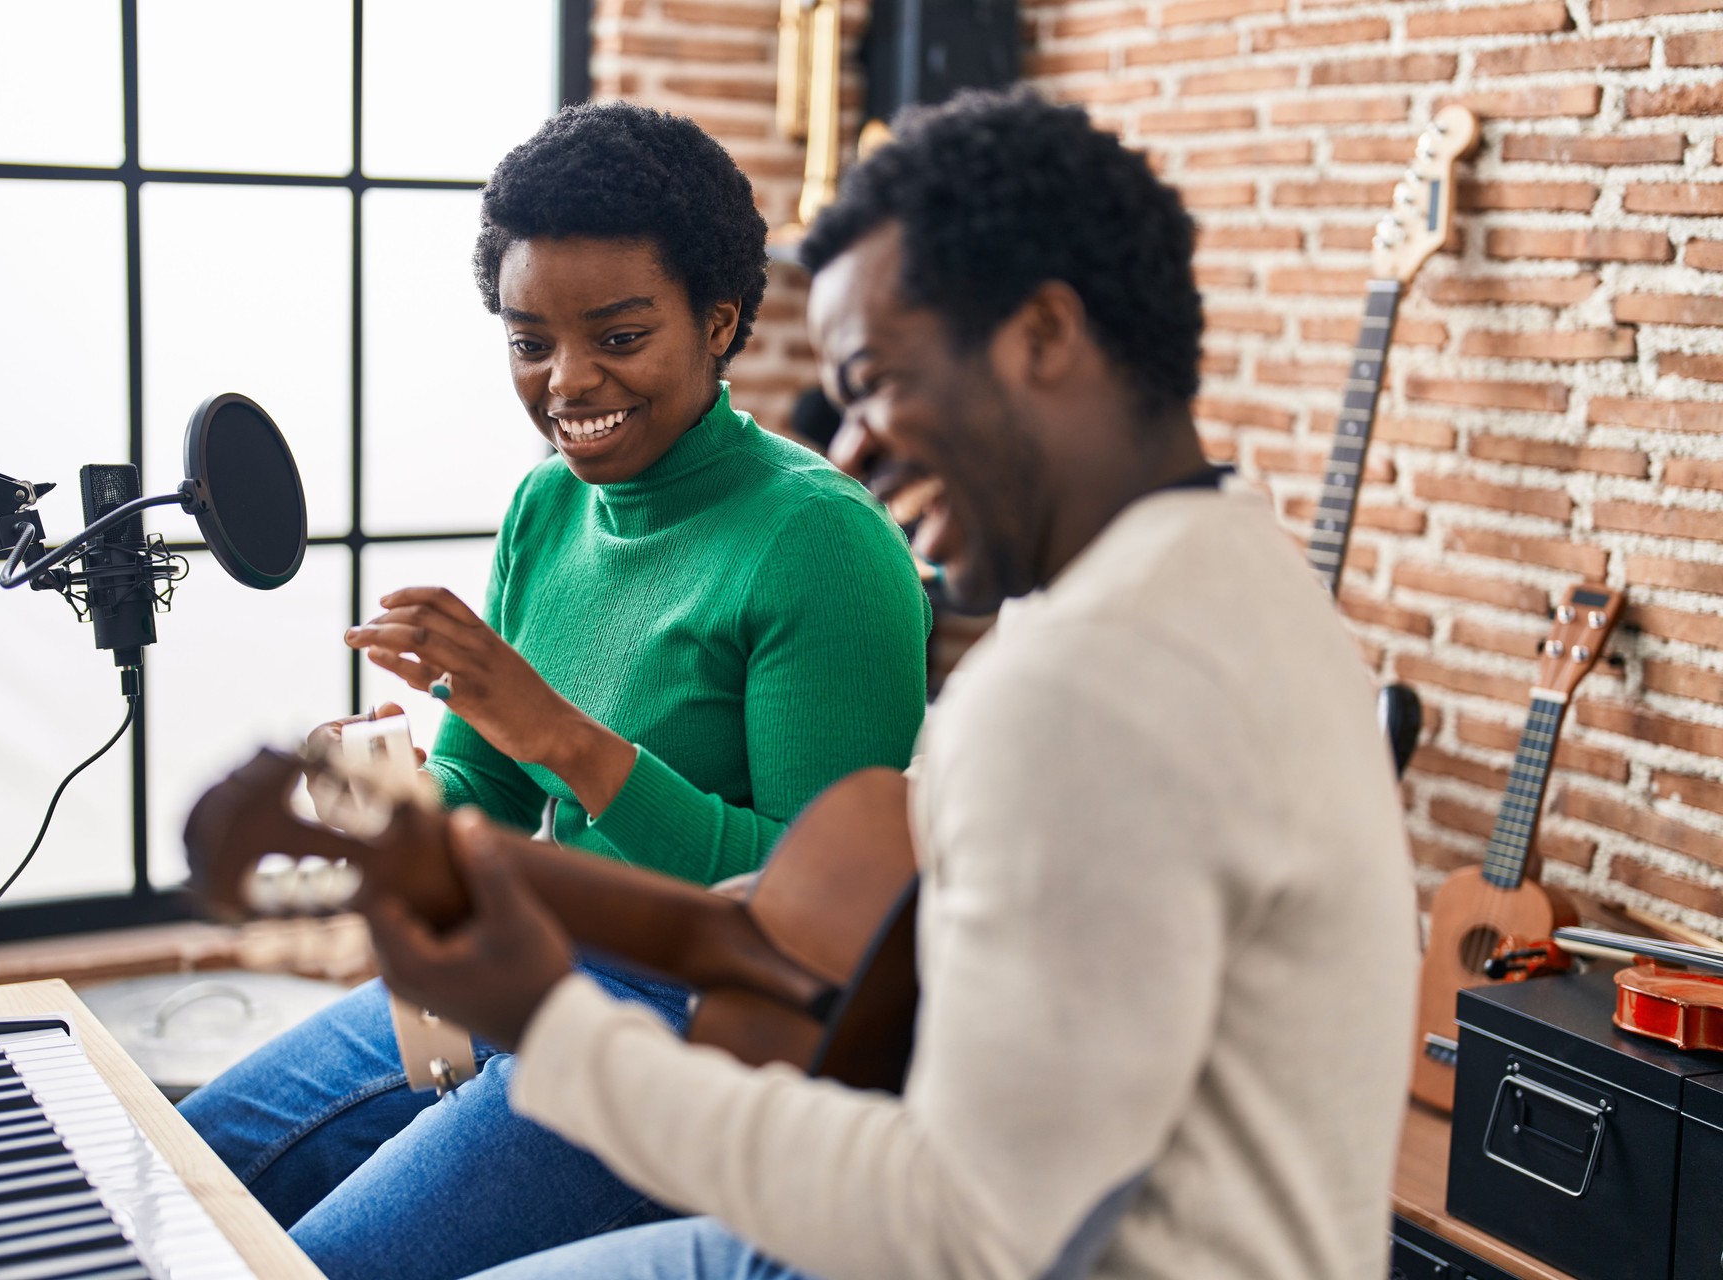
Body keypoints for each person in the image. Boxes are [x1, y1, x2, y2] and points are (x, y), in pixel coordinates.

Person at [358, 89, 1420, 1280]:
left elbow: (953, 1225)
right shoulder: (1231, 581)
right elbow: (812, 910)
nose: (851, 448)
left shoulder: (1083, 687)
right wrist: (489, 875)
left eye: (873, 381)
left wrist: (556, 1029)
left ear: (1043, 337)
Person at [178, 102, 929, 1280]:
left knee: (319, 1263)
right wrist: (405, 808)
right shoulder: (548, 506)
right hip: (521, 958)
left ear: (721, 320)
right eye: (530, 340)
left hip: (695, 1028)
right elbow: (487, 789)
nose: (568, 380)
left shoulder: (820, 544)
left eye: (620, 335)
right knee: (191, 1170)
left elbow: (819, 935)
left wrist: (561, 733)